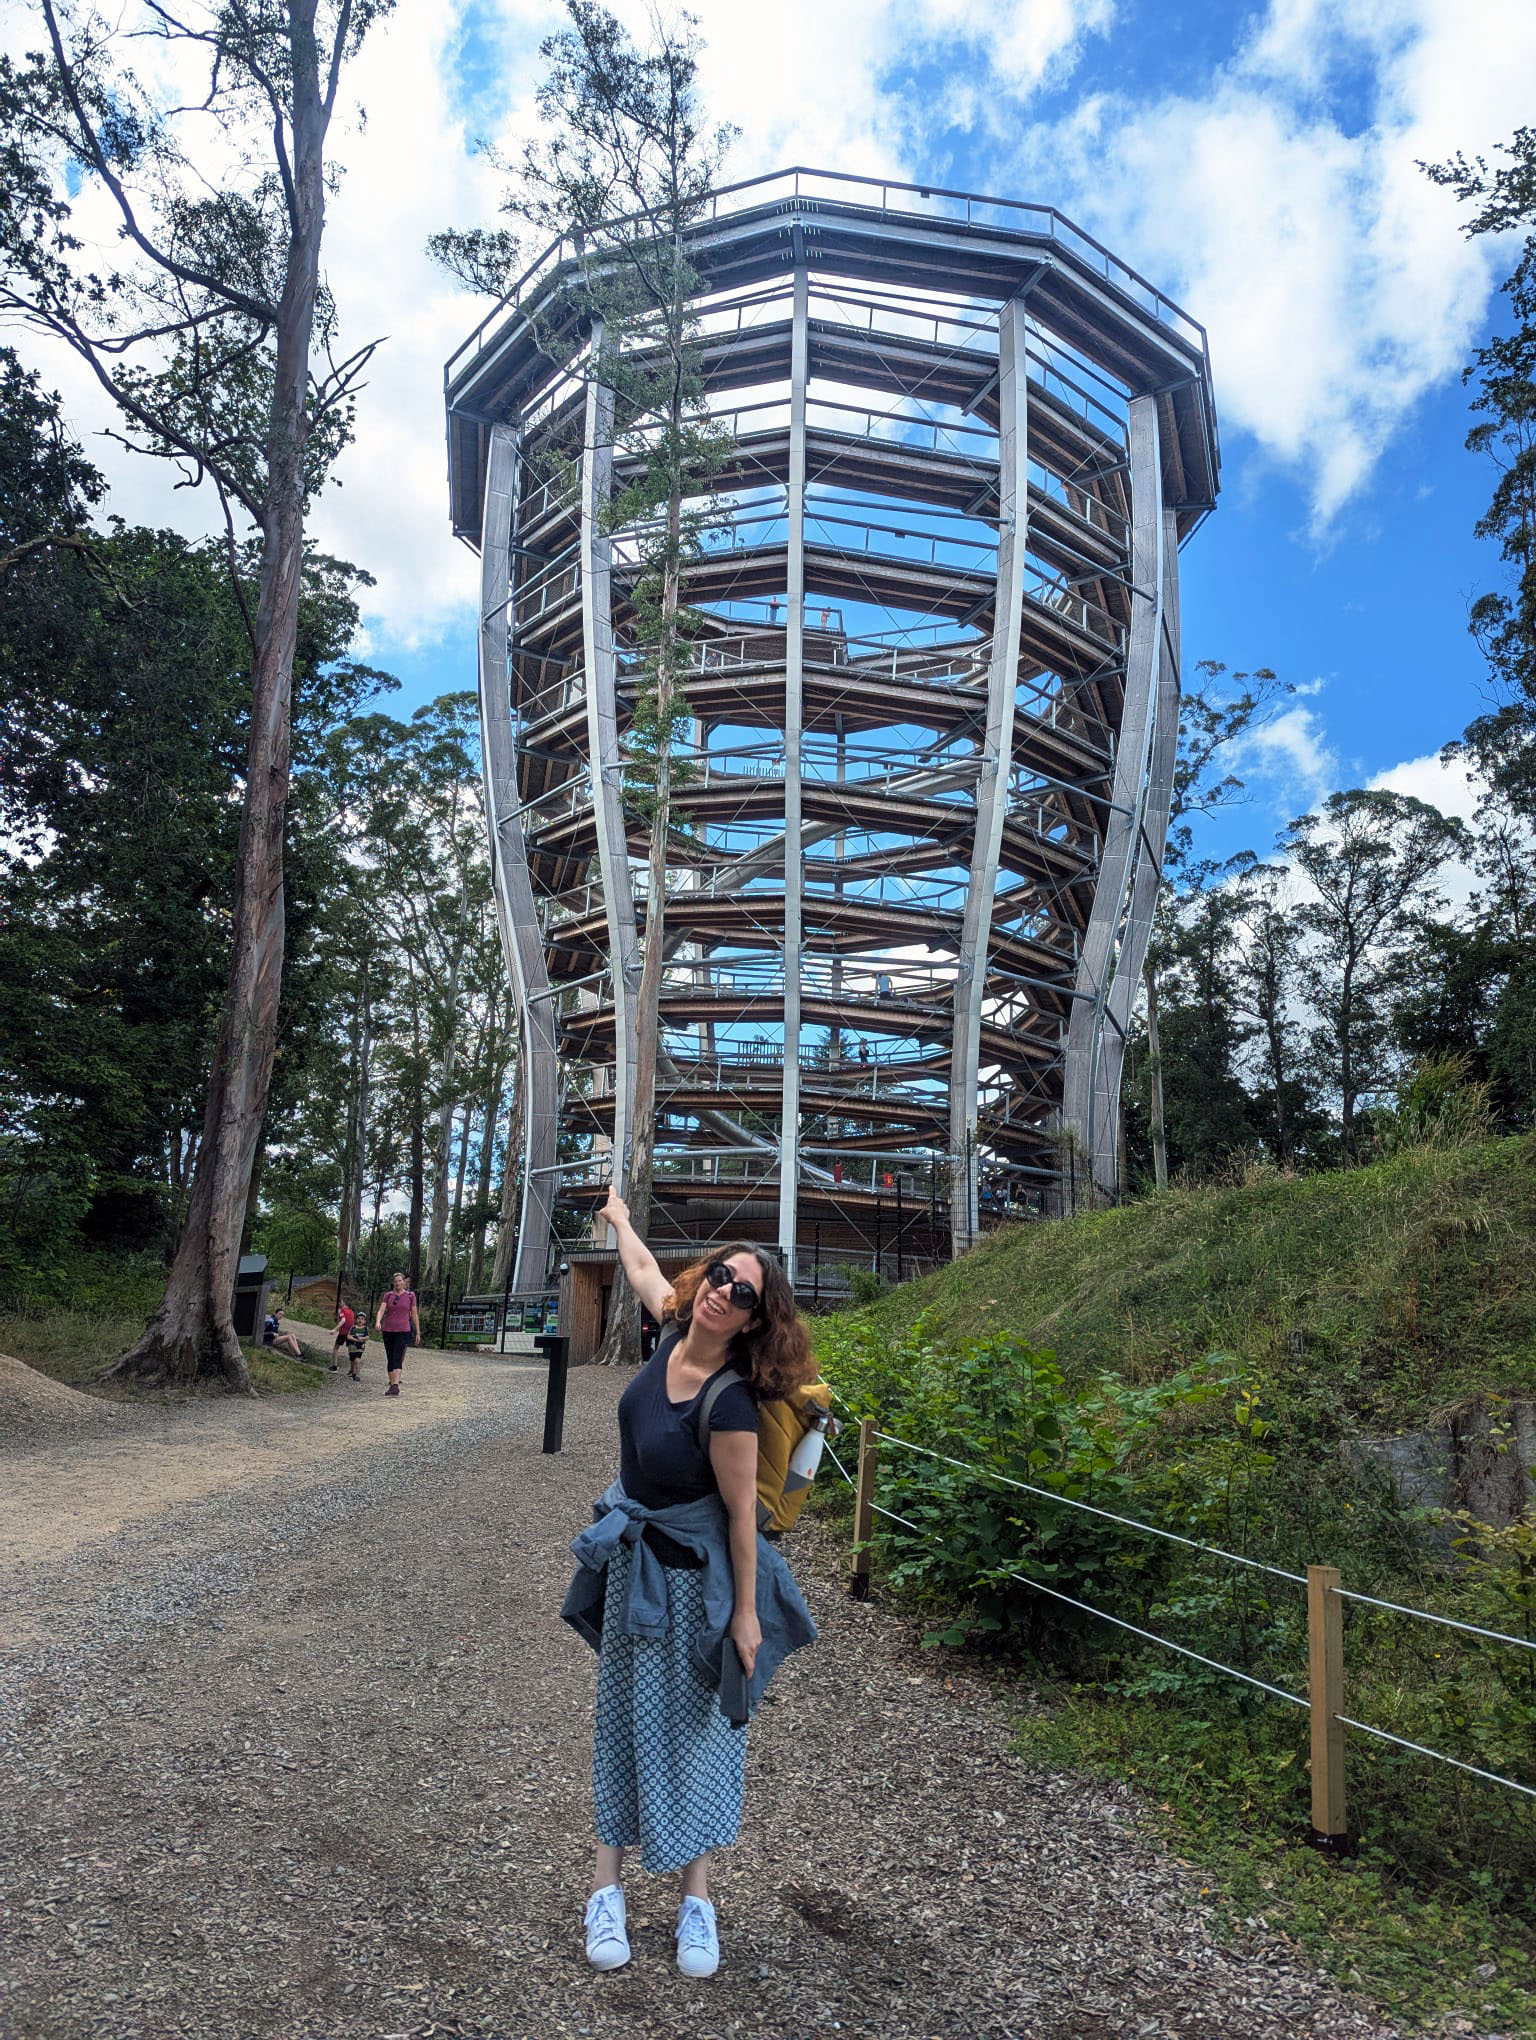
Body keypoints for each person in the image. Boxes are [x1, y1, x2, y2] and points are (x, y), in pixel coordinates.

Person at [563, 1187, 817, 1981]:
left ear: (752, 1320)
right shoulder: (670, 1330)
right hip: (632, 1573)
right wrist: (621, 1218)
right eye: (720, 1276)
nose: (722, 1292)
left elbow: (742, 1520)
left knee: (699, 1741)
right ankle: (604, 1887)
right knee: (621, 1727)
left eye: (743, 1292)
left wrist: (745, 1616)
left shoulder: (732, 1401)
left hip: (689, 1591)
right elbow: (641, 1269)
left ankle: (696, 1903)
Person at [376, 1273, 419, 1397]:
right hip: (388, 1330)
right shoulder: (388, 1295)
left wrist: (417, 1331)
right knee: (390, 1357)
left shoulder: (410, 1296)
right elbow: (381, 1310)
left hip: (403, 1330)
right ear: (393, 1283)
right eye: (395, 1281)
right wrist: (378, 1321)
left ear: (404, 1282)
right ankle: (392, 1384)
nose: (398, 1283)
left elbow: (415, 1314)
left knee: (397, 1355)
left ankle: (395, 1385)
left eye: (400, 1281)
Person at [330, 1297, 357, 1374]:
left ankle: (334, 1366)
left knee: (336, 1348)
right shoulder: (351, 1312)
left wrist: (335, 1329)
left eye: (341, 1302)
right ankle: (353, 1370)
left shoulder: (342, 1310)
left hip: (343, 1333)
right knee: (351, 1350)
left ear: (343, 1303)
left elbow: (343, 1320)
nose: (340, 1303)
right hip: (350, 1333)